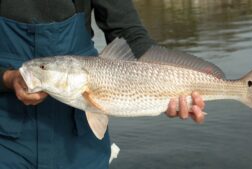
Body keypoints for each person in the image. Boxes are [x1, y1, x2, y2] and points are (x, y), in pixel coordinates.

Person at [0, 0, 206, 168]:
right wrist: (7, 78)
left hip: (80, 141)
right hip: (6, 141)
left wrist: (177, 81)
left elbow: (130, 36)